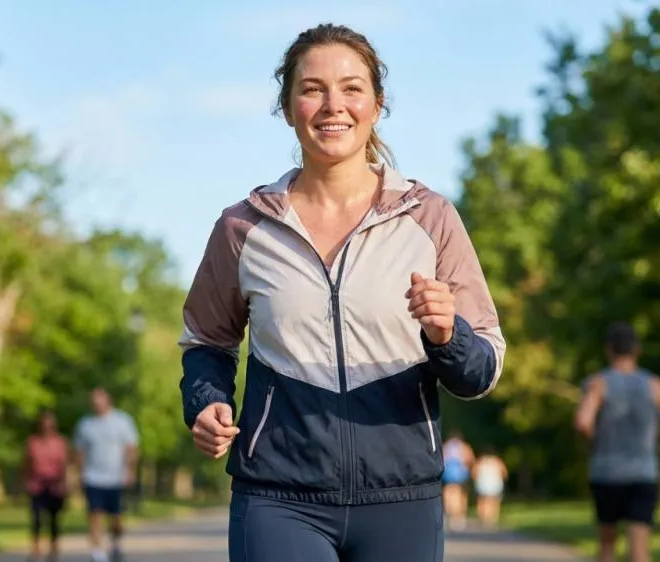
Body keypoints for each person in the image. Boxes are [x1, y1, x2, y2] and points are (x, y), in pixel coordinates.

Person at [178, 22, 507, 562]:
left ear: (377, 105)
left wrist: (447, 335)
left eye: (352, 88)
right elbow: (206, 343)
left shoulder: (431, 219)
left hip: (402, 497)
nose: (334, 105)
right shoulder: (242, 228)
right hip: (278, 496)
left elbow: (482, 370)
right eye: (313, 89)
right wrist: (207, 401)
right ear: (288, 108)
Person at [574, 322, 660, 562]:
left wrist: (600, 438)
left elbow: (583, 422)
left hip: (606, 471)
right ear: (637, 349)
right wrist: (653, 437)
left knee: (606, 545)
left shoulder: (598, 384)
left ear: (608, 349)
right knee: (640, 547)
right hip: (643, 472)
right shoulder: (656, 386)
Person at [74, 388, 140, 562]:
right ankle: (98, 554)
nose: (97, 404)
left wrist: (130, 471)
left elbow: (132, 449)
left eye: (99, 400)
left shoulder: (122, 421)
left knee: (116, 520)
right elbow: (80, 452)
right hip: (93, 477)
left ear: (108, 400)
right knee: (95, 515)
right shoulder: (85, 424)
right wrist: (79, 474)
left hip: (116, 477)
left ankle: (116, 543)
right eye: (93, 402)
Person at [20, 410, 69, 562]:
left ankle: (53, 550)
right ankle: (35, 549)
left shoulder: (60, 442)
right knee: (36, 518)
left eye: (49, 424)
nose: (46, 427)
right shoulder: (32, 442)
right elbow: (26, 463)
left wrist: (65, 484)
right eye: (43, 424)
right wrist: (24, 481)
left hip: (54, 484)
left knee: (54, 519)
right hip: (37, 484)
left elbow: (64, 465)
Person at [440, 432, 474, 530]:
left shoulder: (446, 446)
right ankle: (459, 517)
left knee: (448, 493)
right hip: (460, 475)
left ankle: (450, 515)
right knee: (460, 495)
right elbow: (470, 459)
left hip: (448, 475)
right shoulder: (464, 447)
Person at [472, 448, 508, 528]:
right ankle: (493, 519)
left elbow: (474, 472)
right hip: (495, 484)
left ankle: (483, 518)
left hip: (482, 484)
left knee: (482, 502)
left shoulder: (480, 461)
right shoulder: (497, 461)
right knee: (494, 502)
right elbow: (505, 473)